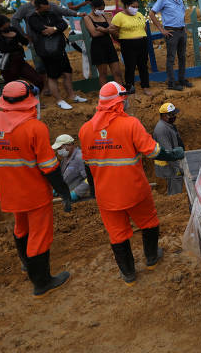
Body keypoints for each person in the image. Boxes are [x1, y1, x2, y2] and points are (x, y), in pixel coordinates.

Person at [78, 82, 185, 285]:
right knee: (149, 222)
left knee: (117, 235)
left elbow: (88, 166)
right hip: (134, 190)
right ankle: (152, 258)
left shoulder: (85, 131)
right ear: (120, 102)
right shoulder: (131, 124)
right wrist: (172, 154)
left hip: (106, 196)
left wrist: (94, 192)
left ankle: (128, 275)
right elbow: (153, 151)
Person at [0, 80, 72, 297]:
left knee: (21, 228)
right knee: (39, 235)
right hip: (35, 193)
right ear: (29, 100)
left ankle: (26, 264)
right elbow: (49, 167)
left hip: (9, 192)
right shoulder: (34, 128)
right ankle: (42, 282)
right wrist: (64, 191)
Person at [11, 0, 83, 95]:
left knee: (57, 65)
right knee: (40, 65)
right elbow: (14, 19)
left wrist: (77, 14)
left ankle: (54, 84)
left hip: (54, 41)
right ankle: (45, 87)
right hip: (36, 41)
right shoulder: (26, 9)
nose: (45, 0)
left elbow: (63, 11)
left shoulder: (50, 6)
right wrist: (23, 35)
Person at [26, 0, 87, 110]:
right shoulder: (32, 18)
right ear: (38, 8)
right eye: (45, 8)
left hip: (60, 48)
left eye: (48, 7)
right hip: (47, 52)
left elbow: (63, 24)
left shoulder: (51, 13)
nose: (48, 10)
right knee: (52, 76)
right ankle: (59, 100)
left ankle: (72, 95)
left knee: (67, 72)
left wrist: (53, 28)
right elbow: (43, 31)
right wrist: (55, 28)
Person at [149, 0, 192, 91]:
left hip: (182, 31)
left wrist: (183, 26)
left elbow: (181, 13)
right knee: (171, 58)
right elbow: (152, 13)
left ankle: (182, 79)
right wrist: (161, 29)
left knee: (182, 57)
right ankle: (171, 83)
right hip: (171, 31)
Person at [0, 14, 43, 90]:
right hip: (7, 65)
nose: (8, 24)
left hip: (20, 61)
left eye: (8, 22)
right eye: (6, 24)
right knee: (13, 87)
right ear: (0, 25)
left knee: (39, 81)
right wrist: (16, 43)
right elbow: (4, 49)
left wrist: (16, 36)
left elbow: (24, 41)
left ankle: (32, 92)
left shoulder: (12, 29)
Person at [111, 0, 151, 96]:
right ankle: (130, 88)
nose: (135, 9)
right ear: (126, 5)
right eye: (133, 6)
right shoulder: (119, 16)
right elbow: (113, 30)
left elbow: (145, 28)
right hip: (127, 44)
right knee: (130, 67)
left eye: (137, 6)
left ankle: (145, 87)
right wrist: (121, 40)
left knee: (143, 65)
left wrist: (141, 36)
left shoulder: (139, 15)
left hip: (141, 43)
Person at [83, 0, 123, 88]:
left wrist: (103, 29)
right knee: (103, 73)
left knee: (117, 72)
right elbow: (94, 33)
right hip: (98, 47)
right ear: (93, 8)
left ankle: (121, 92)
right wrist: (108, 30)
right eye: (99, 9)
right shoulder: (87, 18)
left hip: (109, 45)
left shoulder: (105, 16)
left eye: (102, 9)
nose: (101, 11)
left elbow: (113, 30)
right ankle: (105, 95)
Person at [153, 102, 185, 195]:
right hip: (168, 167)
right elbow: (168, 153)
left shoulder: (168, 126)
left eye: (174, 114)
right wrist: (177, 168)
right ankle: (175, 204)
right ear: (164, 116)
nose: (174, 116)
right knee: (175, 190)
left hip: (171, 165)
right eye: (171, 115)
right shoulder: (161, 130)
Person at [51, 134, 90, 201]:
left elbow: (90, 179)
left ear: (69, 145)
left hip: (82, 199)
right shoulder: (65, 159)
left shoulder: (80, 158)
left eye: (60, 148)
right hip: (67, 197)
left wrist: (76, 193)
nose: (58, 151)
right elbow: (65, 177)